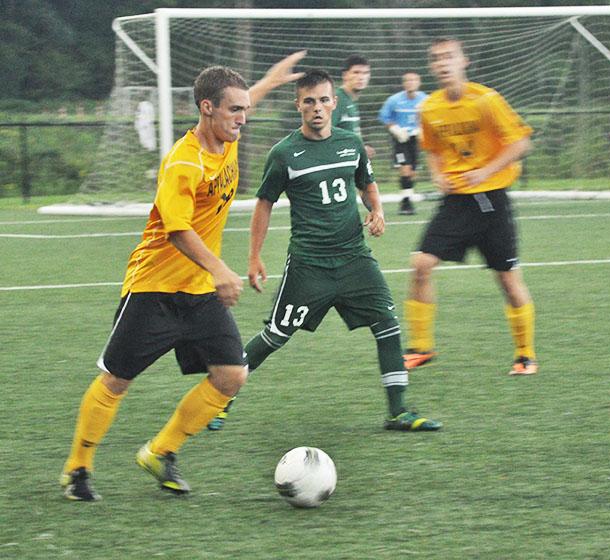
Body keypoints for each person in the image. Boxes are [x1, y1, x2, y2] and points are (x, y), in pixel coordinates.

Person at [59, 51, 307, 501]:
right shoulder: (183, 162)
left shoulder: (226, 137)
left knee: (232, 376)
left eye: (246, 109)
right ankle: (77, 468)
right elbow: (177, 230)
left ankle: (160, 452)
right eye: (235, 110)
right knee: (117, 381)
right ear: (206, 108)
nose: (243, 119)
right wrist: (221, 269)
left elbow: (247, 98)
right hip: (154, 287)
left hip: (198, 292)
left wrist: (271, 80)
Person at [209, 69, 441, 432]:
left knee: (388, 325)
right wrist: (254, 257)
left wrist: (376, 211)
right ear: (298, 105)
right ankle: (218, 401)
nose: (317, 108)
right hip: (309, 266)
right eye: (309, 101)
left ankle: (397, 413)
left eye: (323, 100)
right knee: (275, 336)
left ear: (334, 103)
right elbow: (264, 204)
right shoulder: (284, 153)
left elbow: (367, 183)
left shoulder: (350, 144)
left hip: (354, 260)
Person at [402, 38, 538, 376]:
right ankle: (421, 348)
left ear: (465, 62)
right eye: (436, 58)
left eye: (449, 56)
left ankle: (525, 355)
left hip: (492, 201)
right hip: (456, 203)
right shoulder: (429, 108)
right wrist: (436, 175)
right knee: (420, 264)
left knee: (507, 280)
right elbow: (431, 148)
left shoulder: (487, 100)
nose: (443, 63)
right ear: (432, 67)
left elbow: (521, 143)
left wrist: (486, 172)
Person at [378, 71, 427, 215]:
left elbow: (432, 115)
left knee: (412, 172)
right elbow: (384, 116)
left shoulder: (425, 100)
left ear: (419, 83)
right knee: (405, 169)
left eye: (413, 80)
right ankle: (406, 203)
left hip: (415, 139)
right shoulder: (394, 100)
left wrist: (422, 129)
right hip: (401, 139)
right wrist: (395, 129)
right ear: (404, 83)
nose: (410, 83)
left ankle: (407, 198)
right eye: (407, 80)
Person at [333, 54, 375, 159]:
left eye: (365, 73)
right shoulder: (337, 100)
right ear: (345, 75)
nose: (361, 77)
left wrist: (361, 148)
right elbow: (323, 135)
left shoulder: (351, 100)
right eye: (356, 72)